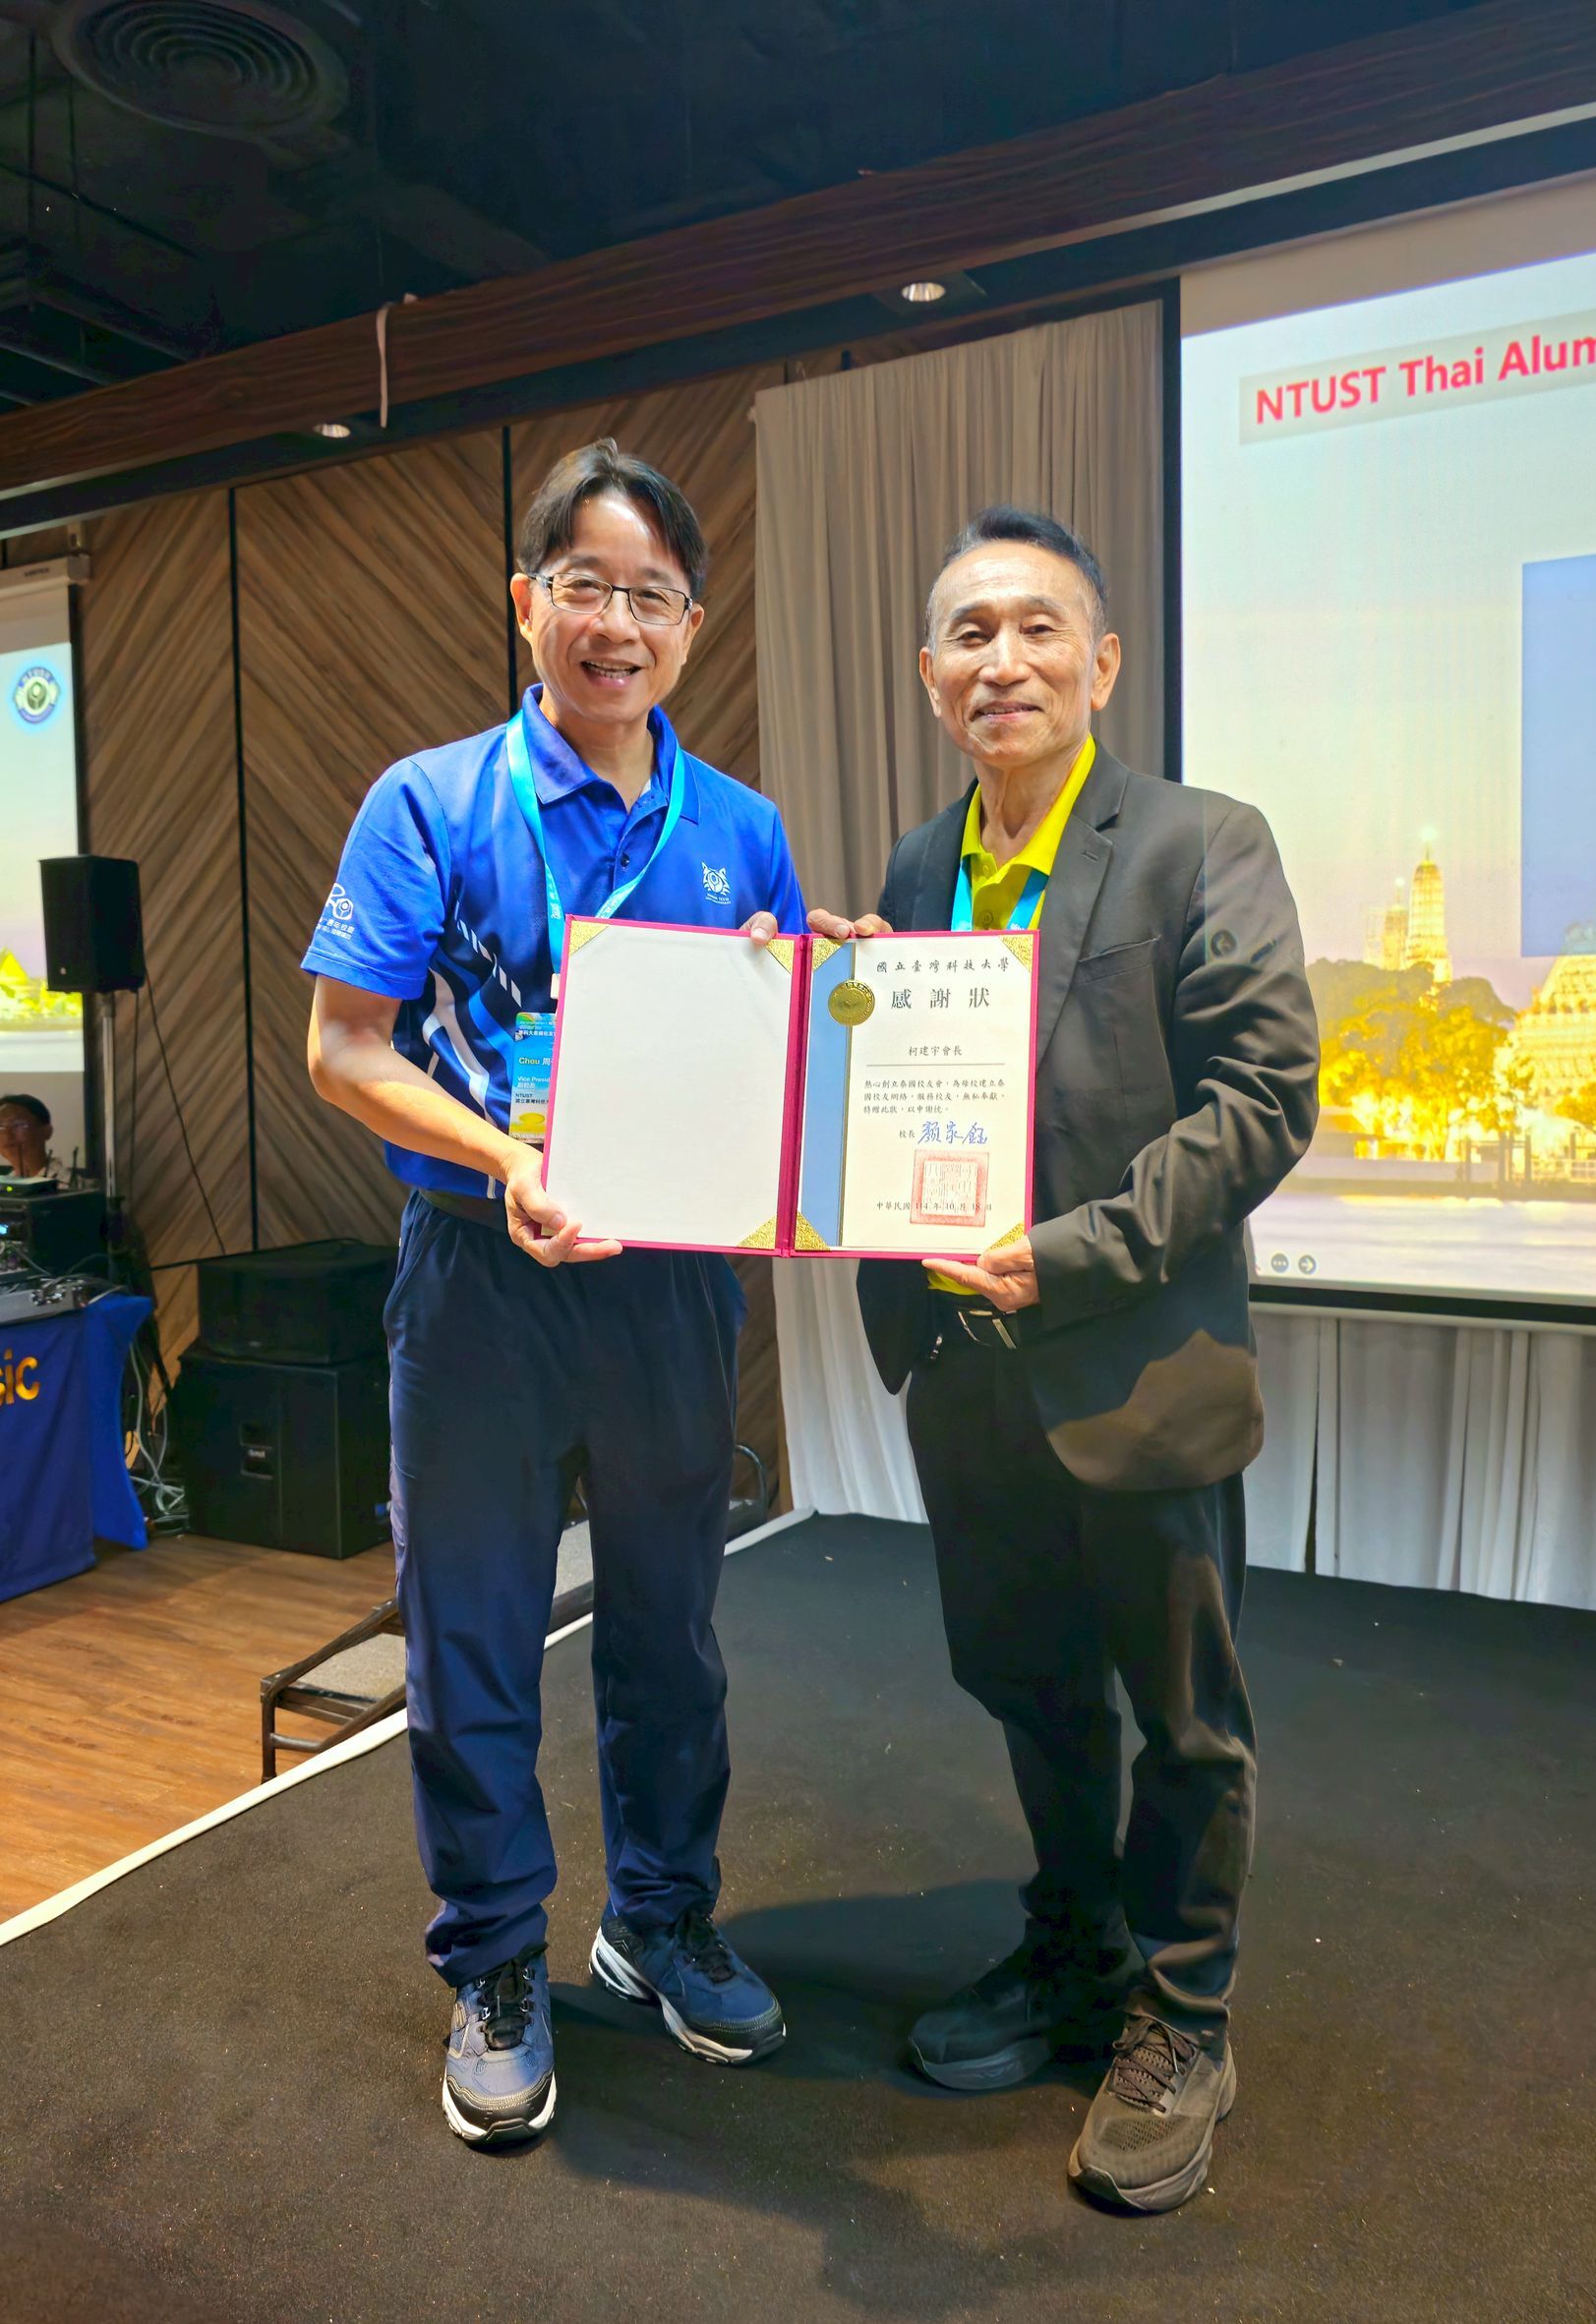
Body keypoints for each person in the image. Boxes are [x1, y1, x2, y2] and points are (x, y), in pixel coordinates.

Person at [305, 439, 805, 2147]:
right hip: (478, 1282)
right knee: (471, 1635)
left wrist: (867, 1012)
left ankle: (656, 1911)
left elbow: (786, 1063)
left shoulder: (739, 828)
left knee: (669, 1622)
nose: (615, 621)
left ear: (689, 625)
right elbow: (343, 1045)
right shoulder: (427, 802)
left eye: (650, 594)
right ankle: (497, 1956)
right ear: (525, 600)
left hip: (668, 1287)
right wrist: (504, 1156)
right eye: (582, 584)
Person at [820, 506, 1319, 2214]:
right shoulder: (907, 870)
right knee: (1027, 1682)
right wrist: (796, 1012)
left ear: (1100, 664)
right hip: (961, 1371)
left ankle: (1183, 2013)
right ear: (927, 672)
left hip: (1133, 1359)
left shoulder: (1197, 840)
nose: (1000, 660)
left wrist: (1071, 1253)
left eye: (1037, 629)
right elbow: (872, 1088)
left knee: (1184, 1718)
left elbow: (1263, 1099)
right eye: (967, 633)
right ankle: (1073, 1945)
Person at [0, 1093, 61, 1180]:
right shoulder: (1, 1186)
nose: (7, 1134)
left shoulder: (69, 1187)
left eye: (18, 1124)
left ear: (46, 1131)